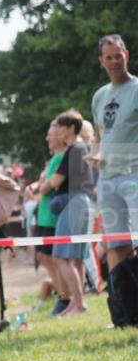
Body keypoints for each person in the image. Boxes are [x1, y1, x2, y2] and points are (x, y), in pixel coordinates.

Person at [89, 35, 138, 275]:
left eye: (118, 56)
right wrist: (95, 155)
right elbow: (99, 137)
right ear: (101, 61)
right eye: (109, 57)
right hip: (107, 179)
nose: (114, 61)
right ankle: (123, 306)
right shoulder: (99, 96)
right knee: (116, 244)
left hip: (135, 175)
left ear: (126, 55)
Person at [39, 110, 94, 317]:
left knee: (61, 256)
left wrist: (43, 186)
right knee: (76, 258)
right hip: (82, 202)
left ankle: (78, 303)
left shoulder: (73, 149)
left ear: (71, 128)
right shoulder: (84, 148)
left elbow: (56, 181)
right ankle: (76, 302)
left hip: (73, 203)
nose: (58, 132)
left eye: (60, 127)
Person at [31, 122, 71, 314]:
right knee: (43, 256)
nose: (47, 138)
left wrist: (41, 186)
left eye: (51, 134)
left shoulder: (61, 157)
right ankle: (62, 293)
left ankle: (65, 296)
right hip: (44, 214)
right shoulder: (54, 159)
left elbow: (47, 186)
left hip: (52, 216)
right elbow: (42, 185)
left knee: (52, 258)